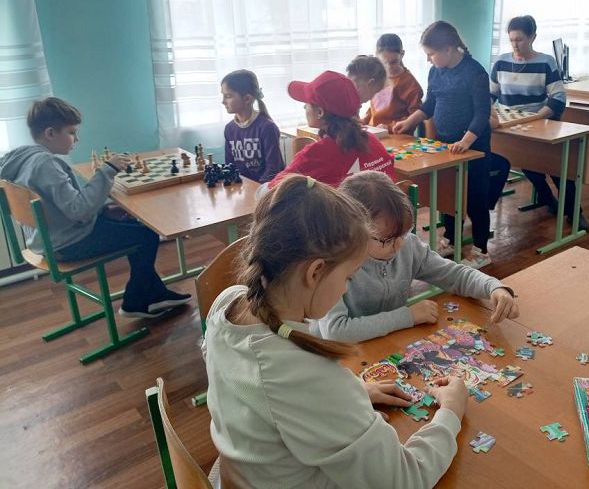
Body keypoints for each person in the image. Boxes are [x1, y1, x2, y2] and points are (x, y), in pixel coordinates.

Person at [204, 174, 468, 488]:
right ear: (316, 271)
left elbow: (270, 397)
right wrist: (451, 412)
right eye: (348, 277)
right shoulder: (306, 375)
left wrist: (354, 392)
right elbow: (404, 479)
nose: (346, 289)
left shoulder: (227, 303)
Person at [0, 97, 191, 318]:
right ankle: (138, 300)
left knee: (135, 224)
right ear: (50, 133)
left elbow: (63, 206)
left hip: (49, 238)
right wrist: (107, 170)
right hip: (66, 244)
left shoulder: (22, 157)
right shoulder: (46, 164)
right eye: (71, 132)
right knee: (146, 235)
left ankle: (151, 294)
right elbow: (79, 210)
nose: (77, 138)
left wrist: (102, 211)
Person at [310, 171, 519, 341]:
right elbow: (335, 332)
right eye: (387, 240)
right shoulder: (334, 264)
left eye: (403, 234)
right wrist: (407, 316)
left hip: (388, 344)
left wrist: (493, 287)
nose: (399, 245)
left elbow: (454, 274)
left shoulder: (407, 245)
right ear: (352, 233)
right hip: (341, 356)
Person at [393, 21, 493, 269]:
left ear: (448, 49)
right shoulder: (436, 72)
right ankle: (450, 238)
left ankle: (481, 250)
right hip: (446, 145)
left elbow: (482, 113)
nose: (428, 59)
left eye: (431, 54)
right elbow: (429, 105)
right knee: (449, 195)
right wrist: (409, 122)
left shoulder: (475, 72)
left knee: (475, 199)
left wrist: (466, 141)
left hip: (473, 147)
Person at [489, 15, 589, 232]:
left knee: (559, 168)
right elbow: (490, 94)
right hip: (510, 124)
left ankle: (575, 212)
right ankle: (547, 198)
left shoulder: (545, 62)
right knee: (527, 163)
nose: (515, 45)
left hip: (540, 122)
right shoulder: (501, 62)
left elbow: (558, 98)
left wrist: (535, 117)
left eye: (520, 40)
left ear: (532, 37)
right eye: (512, 40)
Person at [267, 71, 395, 189]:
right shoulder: (372, 140)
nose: (304, 107)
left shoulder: (316, 154)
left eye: (307, 103)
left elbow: (272, 190)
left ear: (320, 112)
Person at [221, 69, 284, 183]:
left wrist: (256, 189)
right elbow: (230, 165)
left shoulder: (267, 127)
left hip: (266, 189)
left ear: (247, 99)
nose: (223, 101)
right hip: (242, 188)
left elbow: (273, 169)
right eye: (223, 96)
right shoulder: (229, 129)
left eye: (228, 96)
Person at [360, 34, 424, 130]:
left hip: (396, 135)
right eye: (384, 62)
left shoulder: (410, 84)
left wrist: (389, 127)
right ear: (376, 56)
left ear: (402, 54)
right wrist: (363, 121)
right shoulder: (377, 77)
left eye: (393, 62)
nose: (388, 67)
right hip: (375, 132)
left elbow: (415, 117)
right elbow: (374, 108)